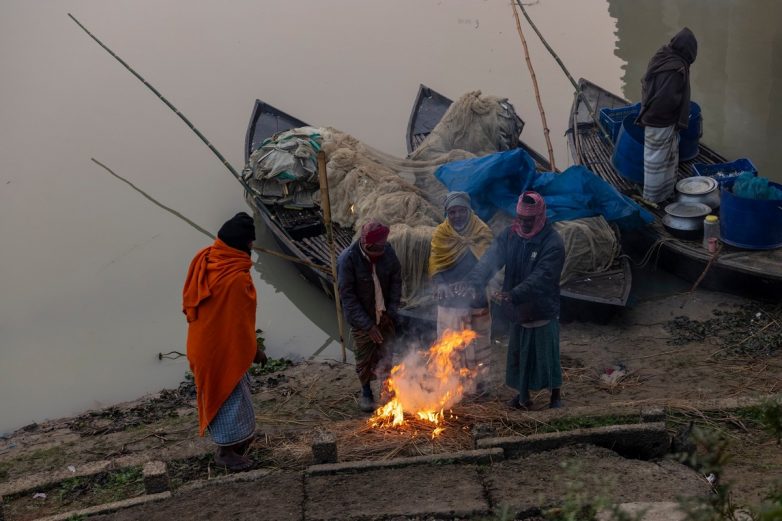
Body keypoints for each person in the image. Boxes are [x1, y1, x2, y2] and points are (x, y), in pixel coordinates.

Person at [461, 192, 565, 409]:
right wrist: (473, 281)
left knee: (547, 354)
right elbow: (491, 260)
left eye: (529, 220)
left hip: (541, 307)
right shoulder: (511, 235)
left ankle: (555, 396)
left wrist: (514, 293)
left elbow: (543, 276)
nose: (524, 224)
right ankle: (523, 396)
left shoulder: (552, 242)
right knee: (520, 353)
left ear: (540, 217)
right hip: (518, 308)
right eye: (521, 219)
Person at [182, 212, 266, 471]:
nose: (252, 247)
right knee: (227, 397)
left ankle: (238, 441)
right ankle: (225, 453)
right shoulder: (236, 278)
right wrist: (255, 350)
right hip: (218, 350)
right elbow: (239, 325)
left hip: (202, 343)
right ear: (243, 244)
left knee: (233, 394)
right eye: (250, 244)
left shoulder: (207, 257)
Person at [429, 192, 494, 394]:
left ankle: (481, 384)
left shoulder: (482, 231)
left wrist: (473, 284)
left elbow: (490, 265)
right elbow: (435, 263)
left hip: (476, 298)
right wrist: (440, 283)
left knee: (479, 341)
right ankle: (452, 386)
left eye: (461, 211)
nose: (457, 216)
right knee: (450, 345)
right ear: (447, 213)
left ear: (469, 210)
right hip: (450, 300)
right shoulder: (441, 234)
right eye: (452, 212)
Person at [337, 220, 402, 412]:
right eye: (375, 250)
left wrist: (391, 311)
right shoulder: (348, 259)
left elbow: (396, 281)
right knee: (364, 357)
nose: (379, 253)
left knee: (387, 352)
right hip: (363, 318)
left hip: (385, 313)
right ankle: (366, 392)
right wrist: (367, 325)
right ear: (366, 245)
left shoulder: (388, 252)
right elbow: (347, 298)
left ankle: (387, 387)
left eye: (382, 248)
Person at [635, 27, 698, 203]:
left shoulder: (663, 54)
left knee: (668, 158)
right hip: (660, 121)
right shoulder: (676, 67)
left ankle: (666, 193)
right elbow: (666, 99)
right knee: (656, 162)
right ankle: (652, 198)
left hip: (653, 116)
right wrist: (675, 116)